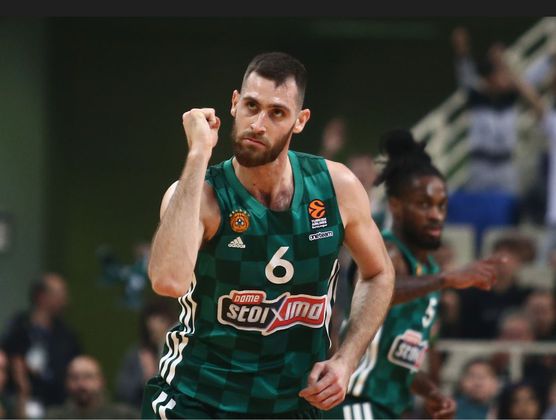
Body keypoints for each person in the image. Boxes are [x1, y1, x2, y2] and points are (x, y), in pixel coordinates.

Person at [141, 51, 395, 419]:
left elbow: (379, 273)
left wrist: (346, 359)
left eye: (276, 113)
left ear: (300, 121)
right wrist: (197, 154)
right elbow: (168, 280)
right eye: (251, 106)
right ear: (234, 104)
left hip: (294, 403)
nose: (258, 124)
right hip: (198, 401)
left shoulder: (336, 187)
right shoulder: (202, 193)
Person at [326, 129, 504, 419]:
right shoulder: (385, 250)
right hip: (354, 401)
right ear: (395, 206)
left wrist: (432, 392)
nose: (436, 215)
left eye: (441, 206)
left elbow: (398, 363)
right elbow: (377, 291)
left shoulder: (429, 273)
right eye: (424, 204)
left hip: (388, 408)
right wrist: (445, 279)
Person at [0, 272, 81, 418]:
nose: (65, 300)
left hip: (57, 404)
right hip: (19, 401)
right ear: (42, 296)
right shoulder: (18, 328)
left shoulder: (67, 335)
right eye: (60, 294)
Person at [116, 298, 178, 409]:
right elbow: (122, 391)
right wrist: (144, 380)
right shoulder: (137, 354)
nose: (154, 324)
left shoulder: (179, 353)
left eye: (161, 320)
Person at [45, 355, 139, 419]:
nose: (81, 384)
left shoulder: (124, 416)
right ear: (66, 383)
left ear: (101, 381)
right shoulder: (53, 417)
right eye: (74, 378)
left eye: (88, 377)